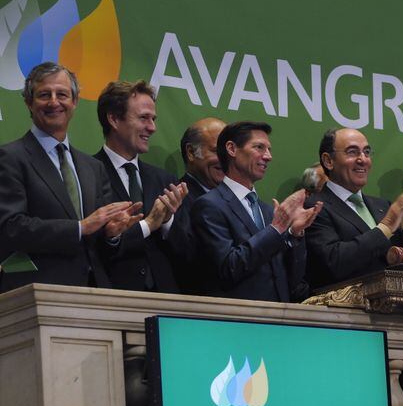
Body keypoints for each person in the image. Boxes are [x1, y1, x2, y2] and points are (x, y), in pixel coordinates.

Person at [0, 62, 140, 292]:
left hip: (95, 293)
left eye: (62, 94)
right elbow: (10, 228)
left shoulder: (93, 167)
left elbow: (100, 240)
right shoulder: (10, 158)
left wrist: (112, 234)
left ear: (74, 102)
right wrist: (79, 227)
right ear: (29, 102)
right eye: (44, 94)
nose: (54, 102)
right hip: (36, 293)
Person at [192, 121, 321, 301]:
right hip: (238, 320)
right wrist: (276, 228)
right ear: (232, 149)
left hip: (280, 319)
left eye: (268, 149)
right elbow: (229, 268)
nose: (268, 156)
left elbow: (292, 281)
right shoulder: (209, 206)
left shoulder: (268, 211)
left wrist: (294, 234)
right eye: (259, 147)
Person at [95, 80, 189, 293]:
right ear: (114, 119)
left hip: (165, 305)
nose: (152, 127)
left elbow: (187, 253)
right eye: (143, 118)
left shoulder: (165, 180)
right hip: (112, 298)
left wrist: (167, 221)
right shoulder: (88, 173)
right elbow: (95, 247)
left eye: (153, 119)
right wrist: (148, 224)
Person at [304, 128, 403, 290]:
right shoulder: (314, 207)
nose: (363, 160)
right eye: (352, 152)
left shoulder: (383, 206)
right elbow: (334, 262)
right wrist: (386, 226)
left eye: (366, 152)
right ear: (328, 161)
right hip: (345, 309)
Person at [174, 117, 225, 294]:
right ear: (191, 152)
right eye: (216, 151)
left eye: (228, 152)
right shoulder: (176, 199)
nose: (225, 160)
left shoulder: (236, 201)